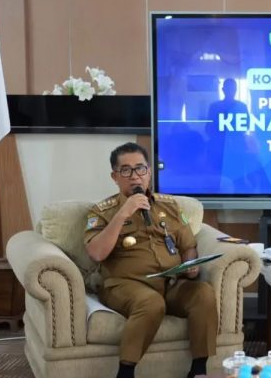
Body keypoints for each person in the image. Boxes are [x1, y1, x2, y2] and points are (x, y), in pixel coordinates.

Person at [84, 142, 217, 378]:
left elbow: (188, 246)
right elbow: (96, 253)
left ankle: (199, 371)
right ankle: (125, 373)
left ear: (149, 172)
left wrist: (191, 267)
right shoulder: (102, 211)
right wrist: (123, 213)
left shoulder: (169, 206)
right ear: (115, 177)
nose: (135, 176)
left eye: (140, 168)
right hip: (124, 285)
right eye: (126, 170)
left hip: (170, 283)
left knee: (203, 293)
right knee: (151, 303)